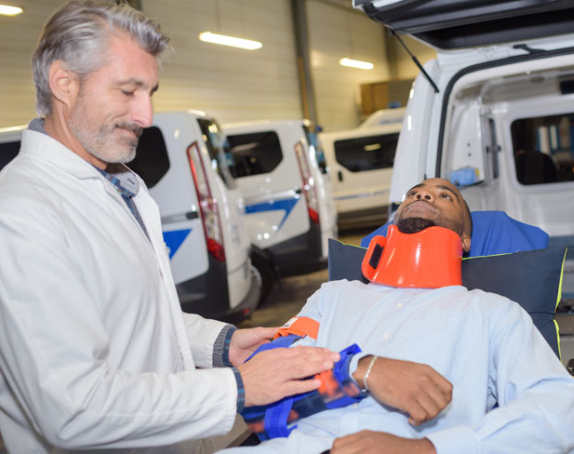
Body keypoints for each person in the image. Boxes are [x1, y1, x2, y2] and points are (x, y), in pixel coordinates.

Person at [0, 2, 338, 453]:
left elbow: (133, 316)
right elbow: (73, 406)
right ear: (64, 83)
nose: (146, 115)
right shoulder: (21, 212)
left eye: (150, 92)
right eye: (128, 91)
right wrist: (237, 388)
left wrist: (221, 345)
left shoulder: (114, 184)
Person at [225, 178, 574, 454]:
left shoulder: (493, 312)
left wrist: (428, 448)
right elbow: (257, 395)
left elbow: (558, 414)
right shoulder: (334, 296)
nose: (423, 196)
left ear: (464, 241)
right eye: (414, 193)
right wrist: (356, 371)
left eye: (444, 195)